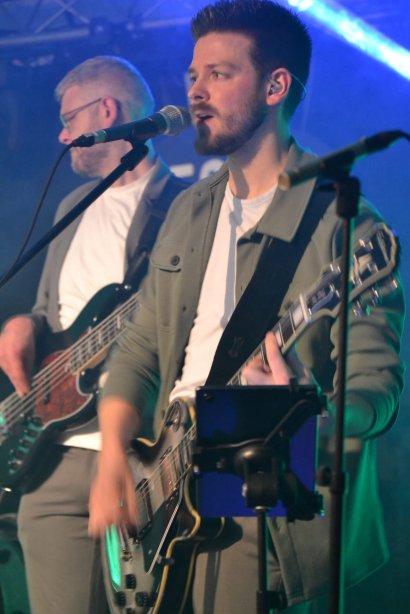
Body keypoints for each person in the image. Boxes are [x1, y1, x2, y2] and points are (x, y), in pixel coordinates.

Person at [88, 2, 405, 613]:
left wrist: (305, 411)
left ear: (275, 86)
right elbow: (140, 347)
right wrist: (111, 458)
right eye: (193, 75)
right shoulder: (190, 210)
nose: (195, 92)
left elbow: (378, 391)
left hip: (262, 509)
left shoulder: (346, 224)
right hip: (165, 492)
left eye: (219, 74)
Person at [0, 55, 187, 613]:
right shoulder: (71, 206)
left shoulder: (185, 206)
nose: (62, 135)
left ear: (107, 111)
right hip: (51, 455)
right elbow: (50, 311)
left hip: (139, 453)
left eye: (69, 119)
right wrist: (24, 323)